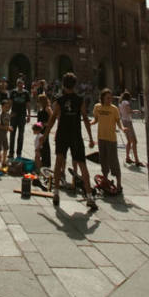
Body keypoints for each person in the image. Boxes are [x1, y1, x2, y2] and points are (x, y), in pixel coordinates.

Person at [42, 71, 97, 210]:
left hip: (62, 134)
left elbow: (53, 118)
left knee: (58, 161)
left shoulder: (59, 100)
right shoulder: (80, 100)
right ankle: (89, 196)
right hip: (75, 135)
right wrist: (90, 137)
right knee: (82, 164)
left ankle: (55, 193)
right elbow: (85, 118)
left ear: (63, 84)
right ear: (75, 85)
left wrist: (45, 134)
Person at [90, 88, 123, 194]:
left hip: (111, 139)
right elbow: (96, 119)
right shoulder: (97, 107)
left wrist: (122, 128)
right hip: (101, 138)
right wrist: (91, 122)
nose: (110, 99)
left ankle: (119, 184)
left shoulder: (114, 109)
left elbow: (118, 121)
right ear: (103, 98)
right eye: (108, 98)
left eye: (111, 97)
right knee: (103, 160)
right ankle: (105, 178)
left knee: (114, 161)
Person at [8, 77, 31, 159]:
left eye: (21, 83)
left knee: (21, 135)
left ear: (23, 85)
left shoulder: (26, 93)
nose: (20, 85)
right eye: (18, 83)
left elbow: (28, 104)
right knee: (12, 135)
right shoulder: (13, 92)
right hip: (14, 115)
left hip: (22, 116)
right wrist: (7, 113)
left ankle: (19, 153)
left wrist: (29, 115)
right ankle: (11, 152)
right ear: (17, 84)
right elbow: (10, 103)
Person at [119, 90, 142, 166]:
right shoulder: (126, 103)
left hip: (123, 120)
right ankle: (136, 160)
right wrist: (136, 111)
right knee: (134, 141)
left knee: (129, 141)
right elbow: (129, 111)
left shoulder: (121, 103)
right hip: (128, 121)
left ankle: (127, 157)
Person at [0, 99, 11, 175]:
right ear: (2, 107)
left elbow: (7, 123)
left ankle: (4, 161)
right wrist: (7, 128)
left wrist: (8, 127)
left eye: (8, 107)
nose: (7, 108)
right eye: (5, 107)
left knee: (6, 147)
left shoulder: (8, 114)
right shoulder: (0, 114)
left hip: (5, 132)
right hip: (0, 132)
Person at [35, 92, 52, 167]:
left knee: (45, 144)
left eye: (39, 100)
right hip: (40, 128)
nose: (38, 102)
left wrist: (47, 124)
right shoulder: (41, 107)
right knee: (41, 144)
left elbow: (52, 117)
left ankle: (46, 162)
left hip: (45, 129)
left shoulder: (47, 108)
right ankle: (42, 160)